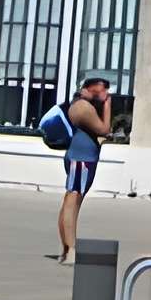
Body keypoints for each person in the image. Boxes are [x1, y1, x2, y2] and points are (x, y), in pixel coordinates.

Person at [54, 76, 111, 262]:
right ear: (87, 89)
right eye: (101, 90)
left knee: (70, 200)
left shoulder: (79, 105)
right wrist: (108, 106)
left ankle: (66, 249)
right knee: (73, 201)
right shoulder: (83, 108)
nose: (105, 94)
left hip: (81, 156)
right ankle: (71, 250)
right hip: (82, 159)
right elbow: (104, 129)